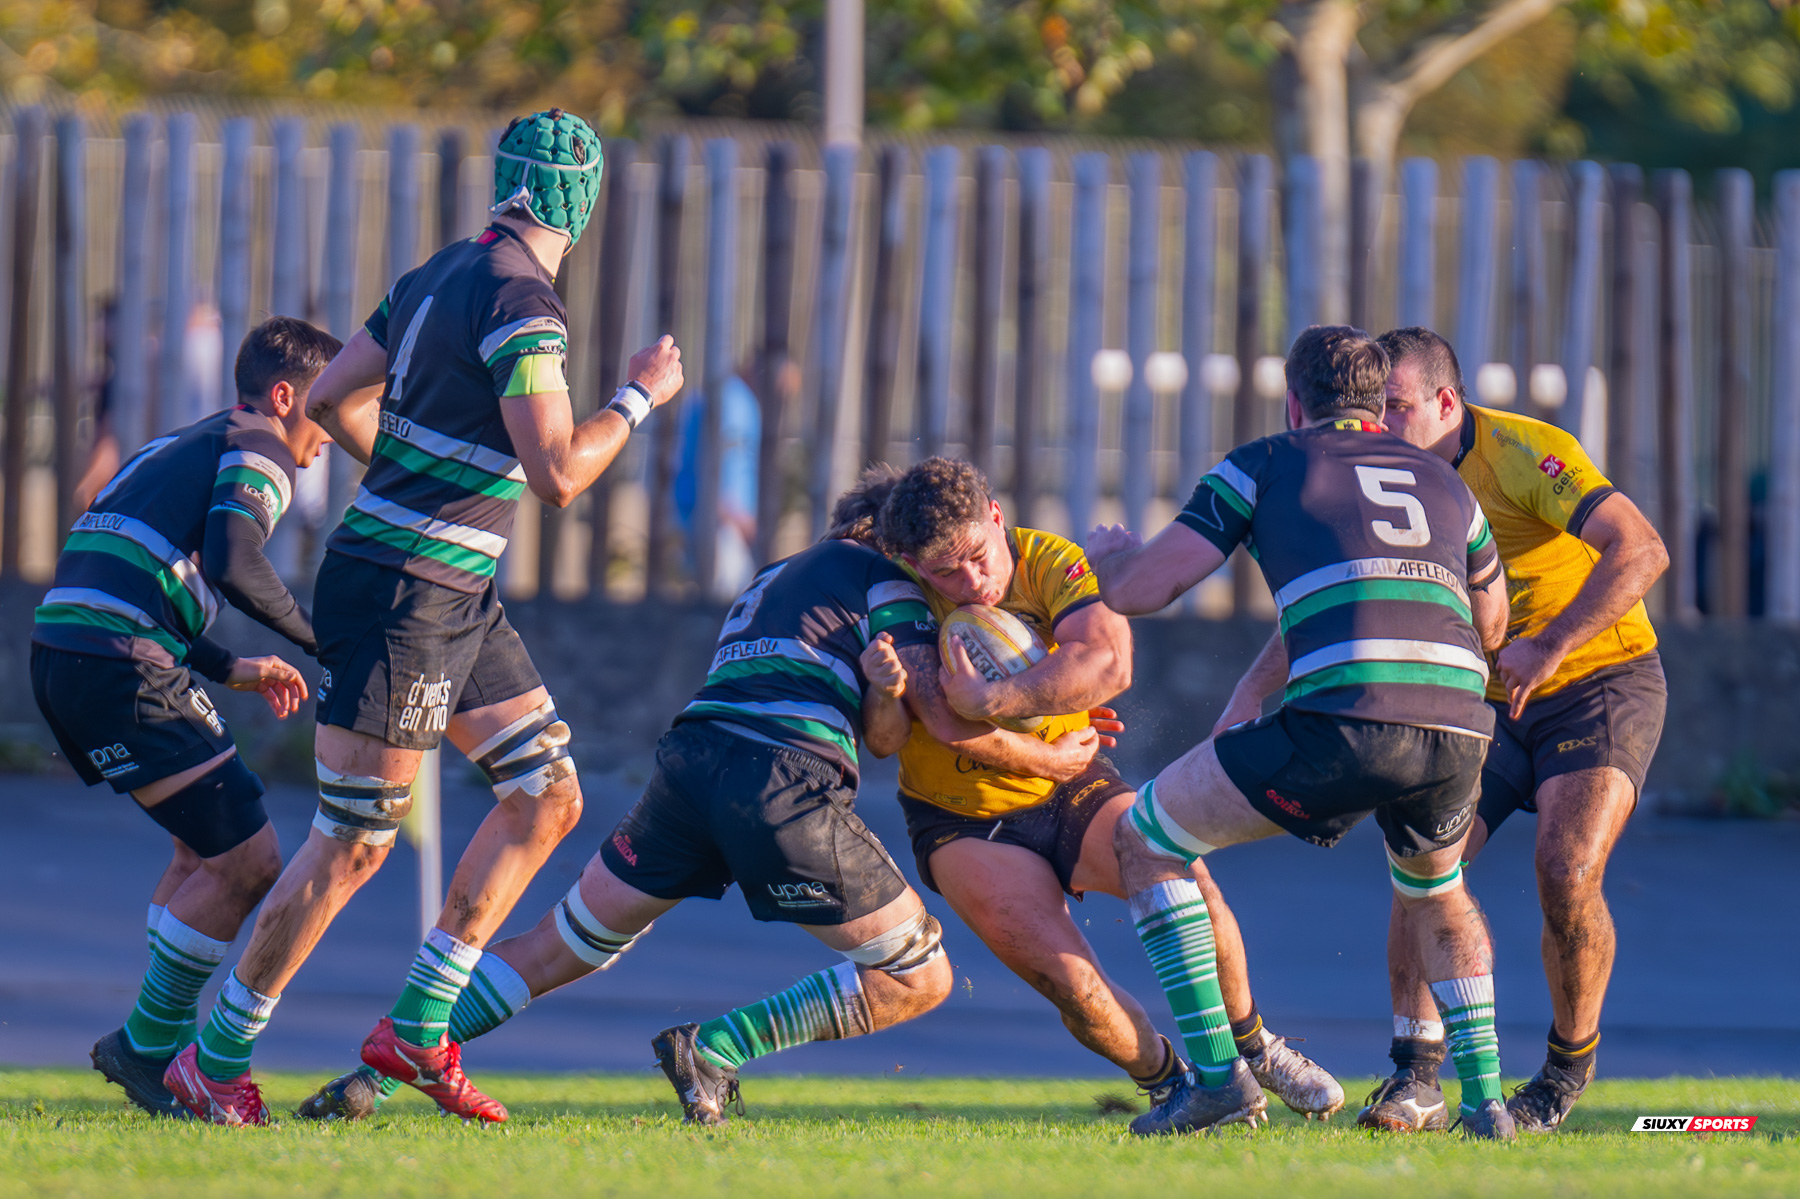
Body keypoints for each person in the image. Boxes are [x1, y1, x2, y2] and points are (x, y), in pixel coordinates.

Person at [166, 108, 685, 1126]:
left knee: (548, 792)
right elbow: (558, 476)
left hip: (446, 584)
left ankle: (417, 1023)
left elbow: (326, 397)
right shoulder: (526, 303)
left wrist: (413, 475)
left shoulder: (439, 273)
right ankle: (210, 1055)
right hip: (408, 588)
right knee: (356, 839)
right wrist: (637, 395)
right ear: (578, 198)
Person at [296, 469, 980, 1125]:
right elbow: (889, 740)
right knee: (920, 973)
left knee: (560, 944)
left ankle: (375, 1074)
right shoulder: (888, 579)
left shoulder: (774, 576)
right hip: (779, 776)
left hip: (687, 767)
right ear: (894, 540)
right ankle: (716, 1049)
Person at [1088, 325, 1517, 1139]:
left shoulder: (1267, 462)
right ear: (1374, 401)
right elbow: (1492, 620)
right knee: (1438, 889)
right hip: (1459, 722)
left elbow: (1148, 587)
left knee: (1147, 838)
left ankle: (1218, 1080)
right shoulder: (1444, 480)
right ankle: (1488, 1102)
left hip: (1345, 719)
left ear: (1295, 401)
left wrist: (1110, 559)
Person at [872, 458, 1344, 1120]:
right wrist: (1045, 752)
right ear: (914, 564)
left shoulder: (1048, 559)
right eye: (944, 572)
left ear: (997, 519)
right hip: (963, 818)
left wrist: (1002, 696)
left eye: (977, 556)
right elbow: (947, 721)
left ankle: (1255, 1045)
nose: (969, 582)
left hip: (1075, 784)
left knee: (1187, 878)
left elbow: (1110, 662)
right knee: (1071, 983)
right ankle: (1180, 1084)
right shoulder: (899, 592)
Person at [1358, 326, 1668, 1134]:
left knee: (1566, 871)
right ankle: (1414, 1075)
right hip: (1485, 703)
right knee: (1422, 863)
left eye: (1397, 408)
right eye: (1371, 409)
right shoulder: (1380, 476)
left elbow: (1643, 550)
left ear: (1447, 403)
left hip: (1598, 679)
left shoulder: (1526, 452)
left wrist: (1550, 642)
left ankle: (1564, 1070)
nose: (1382, 427)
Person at [31, 316, 335, 1116]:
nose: (334, 427)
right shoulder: (264, 450)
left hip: (67, 649)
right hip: (119, 659)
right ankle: (146, 1046)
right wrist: (324, 639)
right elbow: (237, 562)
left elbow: (123, 567)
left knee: (203, 854)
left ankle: (155, 1046)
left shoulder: (178, 444)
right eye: (329, 404)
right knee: (250, 860)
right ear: (284, 396)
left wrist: (228, 665)